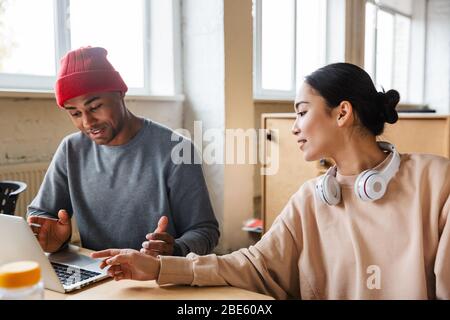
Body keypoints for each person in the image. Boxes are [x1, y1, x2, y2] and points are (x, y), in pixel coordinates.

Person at [91, 63, 450, 299]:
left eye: (302, 112)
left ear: (342, 112)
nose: (294, 127)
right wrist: (158, 267)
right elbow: (252, 264)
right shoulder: (311, 199)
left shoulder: (436, 181)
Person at [27, 46, 219, 257]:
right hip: (100, 275)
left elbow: (205, 231)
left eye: (95, 107)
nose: (87, 122)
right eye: (75, 113)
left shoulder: (176, 150)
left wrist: (175, 249)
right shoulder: (71, 150)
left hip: (159, 279)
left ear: (120, 93)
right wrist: (53, 238)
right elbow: (40, 214)